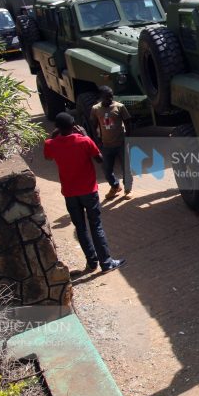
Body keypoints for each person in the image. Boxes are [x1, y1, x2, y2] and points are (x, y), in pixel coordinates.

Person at [44, 113, 125, 273]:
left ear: (58, 128)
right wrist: (87, 135)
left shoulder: (51, 143)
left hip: (69, 193)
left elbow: (47, 157)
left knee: (80, 228)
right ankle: (106, 263)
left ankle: (92, 262)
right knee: (96, 226)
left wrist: (53, 135)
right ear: (75, 125)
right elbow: (100, 159)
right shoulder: (84, 141)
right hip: (88, 191)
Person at [89, 86, 132, 200]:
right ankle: (115, 186)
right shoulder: (95, 109)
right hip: (105, 145)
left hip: (121, 143)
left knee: (126, 168)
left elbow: (128, 123)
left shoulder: (120, 107)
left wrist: (128, 138)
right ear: (101, 97)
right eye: (107, 97)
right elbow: (93, 125)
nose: (110, 98)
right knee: (107, 170)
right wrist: (96, 139)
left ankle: (128, 190)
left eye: (111, 96)